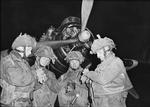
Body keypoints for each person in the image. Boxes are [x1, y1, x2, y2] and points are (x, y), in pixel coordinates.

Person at [81, 35, 133, 107]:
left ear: (106, 50)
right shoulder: (102, 65)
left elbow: (102, 79)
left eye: (99, 53)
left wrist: (88, 73)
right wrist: (88, 79)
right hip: (101, 99)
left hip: (112, 100)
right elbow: (97, 79)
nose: (98, 56)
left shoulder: (116, 62)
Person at [0, 33, 37, 107]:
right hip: (11, 104)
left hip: (24, 103)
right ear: (22, 48)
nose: (30, 52)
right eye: (29, 49)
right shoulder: (7, 61)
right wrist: (35, 73)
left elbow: (30, 83)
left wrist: (39, 80)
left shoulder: (24, 62)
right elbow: (17, 79)